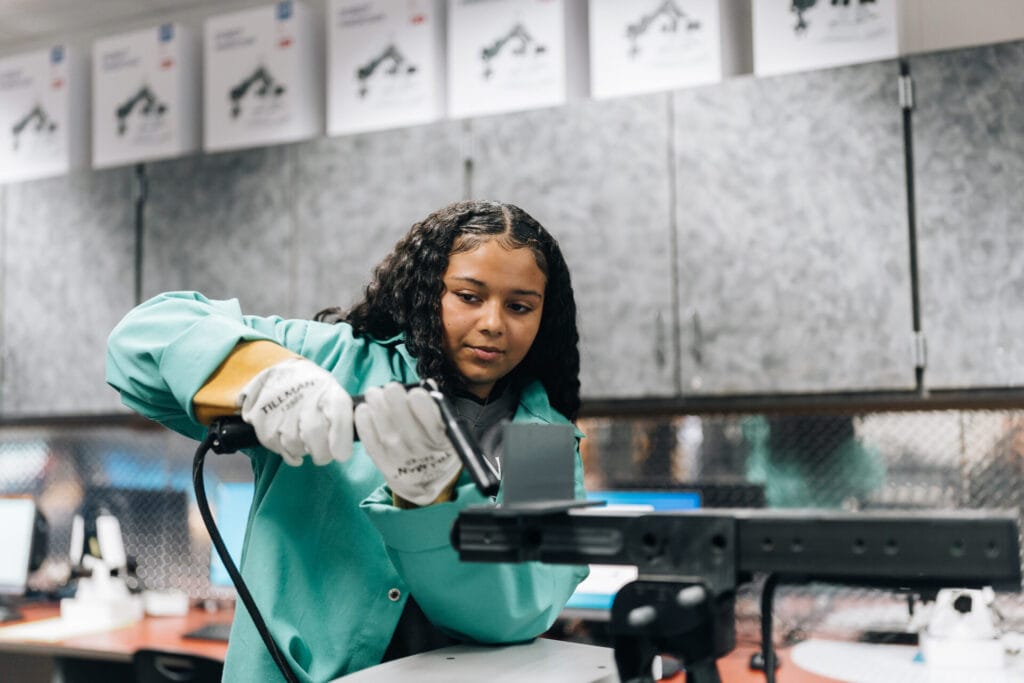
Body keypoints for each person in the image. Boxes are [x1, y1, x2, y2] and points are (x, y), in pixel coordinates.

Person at [105, 200, 589, 682]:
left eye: (520, 306)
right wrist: (267, 376)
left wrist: (431, 503)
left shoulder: (543, 442)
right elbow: (142, 340)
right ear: (428, 291)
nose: (493, 323)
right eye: (468, 296)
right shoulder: (332, 361)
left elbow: (525, 610)